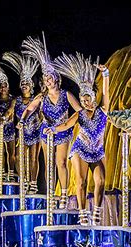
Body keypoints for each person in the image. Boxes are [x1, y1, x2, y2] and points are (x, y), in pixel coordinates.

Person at [44, 54, 109, 224]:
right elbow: (66, 125)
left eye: (88, 98)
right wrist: (52, 129)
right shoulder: (80, 114)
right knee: (81, 182)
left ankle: (96, 211)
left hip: (96, 150)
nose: (85, 101)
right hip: (80, 149)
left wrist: (106, 75)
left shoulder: (103, 112)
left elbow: (107, 95)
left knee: (100, 181)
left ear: (94, 97)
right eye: (83, 98)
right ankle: (82, 213)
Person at [21, 34, 82, 209]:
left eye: (51, 78)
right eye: (46, 79)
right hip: (46, 132)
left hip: (63, 132)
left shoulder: (66, 94)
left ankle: (63, 194)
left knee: (60, 162)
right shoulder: (42, 96)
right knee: (48, 164)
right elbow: (29, 108)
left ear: (56, 78)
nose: (48, 81)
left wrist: (67, 123)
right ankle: (50, 195)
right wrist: (22, 120)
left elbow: (79, 111)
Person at [2, 51, 41, 193]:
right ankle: (23, 180)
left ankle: (33, 183)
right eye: (22, 83)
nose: (24, 85)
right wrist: (3, 118)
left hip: (35, 132)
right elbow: (9, 111)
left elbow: (42, 114)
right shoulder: (16, 100)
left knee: (33, 158)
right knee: (19, 156)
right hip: (22, 132)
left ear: (31, 85)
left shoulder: (37, 99)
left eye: (26, 83)